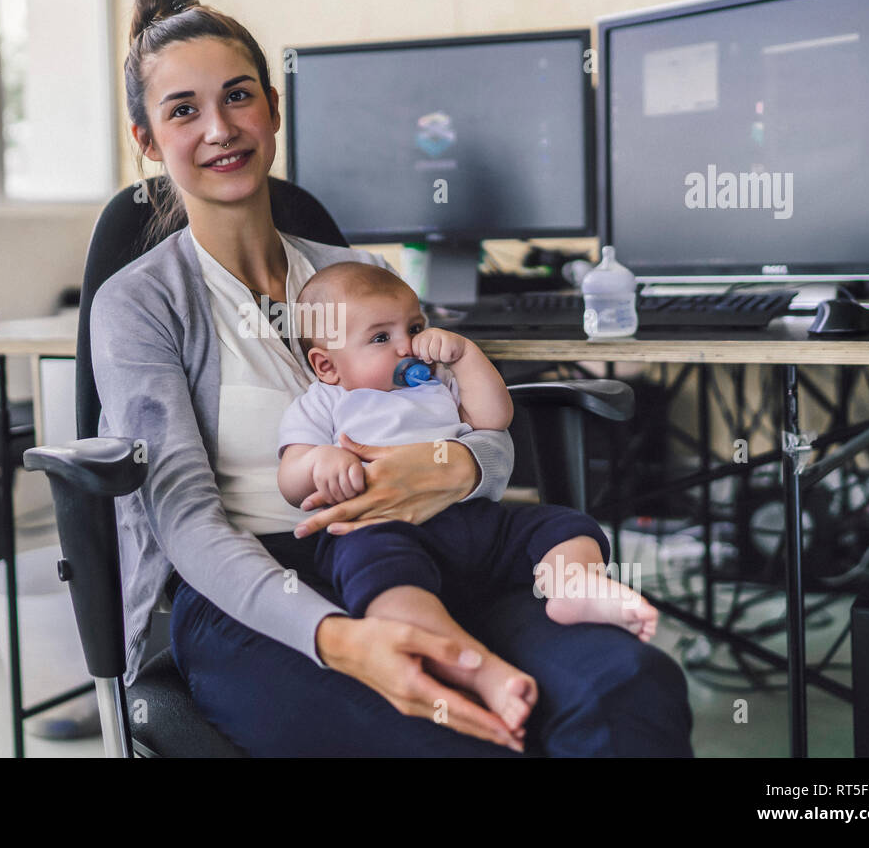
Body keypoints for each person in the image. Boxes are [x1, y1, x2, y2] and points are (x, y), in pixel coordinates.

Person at [89, 0, 693, 755]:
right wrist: (339, 637)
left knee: (628, 687)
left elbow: (478, 429)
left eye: (238, 96)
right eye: (183, 109)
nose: (220, 128)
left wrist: (447, 465)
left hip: (436, 548)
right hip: (257, 593)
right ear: (147, 139)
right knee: (461, 735)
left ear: (273, 108)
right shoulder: (139, 304)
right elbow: (184, 522)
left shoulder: (360, 272)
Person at [276, 261, 659, 749]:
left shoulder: (437, 382)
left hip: (474, 520)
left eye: (414, 328)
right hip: (382, 529)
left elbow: (495, 418)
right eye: (380, 338)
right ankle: (475, 669)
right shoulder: (325, 401)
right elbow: (290, 477)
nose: (406, 347)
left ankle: (574, 585)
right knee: (380, 578)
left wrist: (466, 357)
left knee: (564, 524)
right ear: (327, 365)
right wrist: (320, 462)